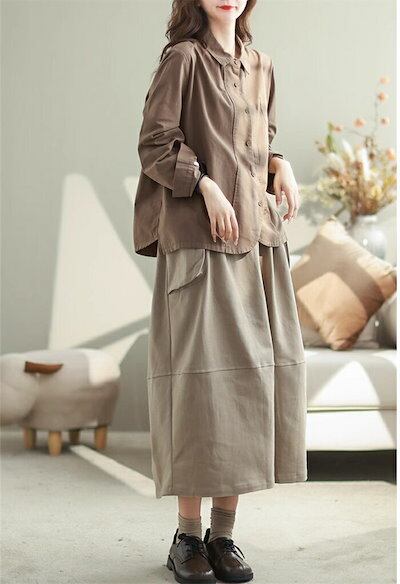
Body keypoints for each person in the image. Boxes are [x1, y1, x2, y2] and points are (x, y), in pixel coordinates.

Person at [133, 1, 307, 582]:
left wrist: (280, 165)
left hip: (257, 242)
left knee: (247, 390)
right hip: (200, 243)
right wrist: (205, 186)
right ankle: (187, 537)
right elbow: (156, 143)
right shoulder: (183, 59)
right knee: (198, 389)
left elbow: (255, 143)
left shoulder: (261, 65)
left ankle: (223, 536)